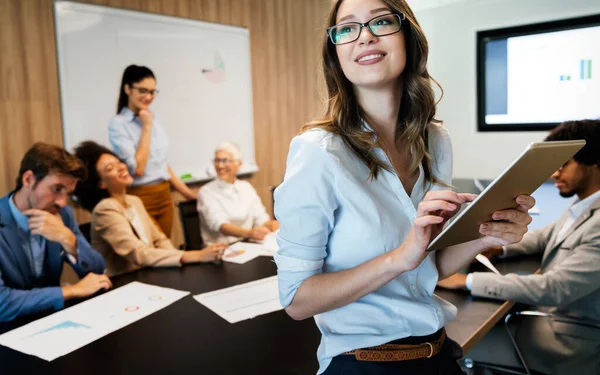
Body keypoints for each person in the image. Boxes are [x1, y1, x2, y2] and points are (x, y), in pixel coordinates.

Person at [273, 0, 535, 374]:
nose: (364, 37)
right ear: (336, 53)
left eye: (380, 22)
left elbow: (429, 266)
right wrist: (400, 256)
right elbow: (297, 301)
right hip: (363, 364)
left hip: (439, 354)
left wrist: (485, 234)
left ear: (408, 37)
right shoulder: (317, 151)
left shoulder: (435, 140)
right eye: (347, 29)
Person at [437, 120, 600, 374]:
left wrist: (467, 281)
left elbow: (556, 288)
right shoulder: (585, 205)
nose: (555, 173)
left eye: (564, 164)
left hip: (568, 342)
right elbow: (546, 237)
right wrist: (498, 247)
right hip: (550, 321)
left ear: (595, 163)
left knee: (454, 340)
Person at [73, 141, 227, 277]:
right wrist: (195, 256)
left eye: (118, 162)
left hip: (149, 273)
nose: (121, 167)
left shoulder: (134, 201)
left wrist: (182, 259)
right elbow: (138, 254)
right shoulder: (104, 210)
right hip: (125, 282)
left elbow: (159, 240)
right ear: (101, 184)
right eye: (110, 168)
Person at [0, 143, 110, 322]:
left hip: (52, 321)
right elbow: (1, 303)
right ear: (28, 179)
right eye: (57, 189)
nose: (62, 202)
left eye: (68, 193)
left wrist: (69, 240)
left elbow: (97, 271)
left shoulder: (62, 214)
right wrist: (70, 291)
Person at [108, 64, 197, 237]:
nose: (148, 97)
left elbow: (163, 164)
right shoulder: (118, 124)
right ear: (127, 89)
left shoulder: (152, 118)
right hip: (139, 196)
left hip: (163, 194)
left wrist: (188, 194)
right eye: (143, 90)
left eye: (152, 92)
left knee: (166, 248)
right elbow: (138, 169)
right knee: (150, 251)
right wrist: (146, 128)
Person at [197, 142, 279, 244]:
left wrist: (271, 224)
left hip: (247, 244)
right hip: (220, 249)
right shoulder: (206, 192)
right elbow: (220, 225)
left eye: (225, 160)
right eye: (217, 160)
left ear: (238, 164)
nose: (220, 165)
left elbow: (260, 217)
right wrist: (249, 233)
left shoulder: (246, 187)